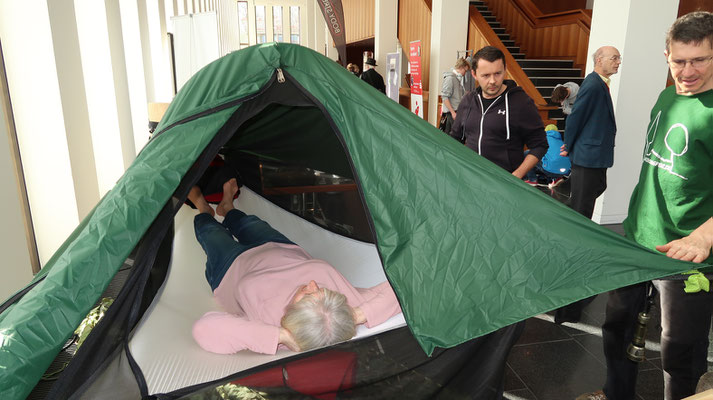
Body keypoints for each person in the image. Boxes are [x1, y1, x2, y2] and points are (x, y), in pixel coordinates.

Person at [577, 12, 713, 400]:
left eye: (699, 60)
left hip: (687, 254)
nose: (686, 71)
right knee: (616, 329)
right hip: (637, 238)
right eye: (678, 60)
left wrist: (704, 236)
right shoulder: (667, 94)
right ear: (666, 55)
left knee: (680, 351)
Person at [190, 178, 401, 355]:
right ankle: (228, 208)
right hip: (279, 248)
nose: (312, 284)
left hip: (230, 268)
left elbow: (203, 329)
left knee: (212, 234)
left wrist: (280, 335)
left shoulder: (267, 324)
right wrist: (355, 316)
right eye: (322, 291)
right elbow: (407, 289)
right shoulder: (338, 311)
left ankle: (202, 207)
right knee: (249, 224)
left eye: (309, 295)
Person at [450, 46, 548, 178]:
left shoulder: (521, 102)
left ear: (505, 70)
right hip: (470, 180)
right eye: (485, 75)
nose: (492, 81)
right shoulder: (468, 101)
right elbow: (455, 139)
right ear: (474, 74)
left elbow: (540, 144)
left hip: (505, 184)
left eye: (498, 73)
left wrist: (516, 176)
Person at [560, 46, 621, 219]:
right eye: (614, 58)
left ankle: (565, 211)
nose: (619, 62)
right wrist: (568, 145)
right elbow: (575, 117)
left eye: (618, 58)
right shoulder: (593, 84)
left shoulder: (599, 83)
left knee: (595, 189)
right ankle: (574, 235)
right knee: (582, 207)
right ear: (599, 60)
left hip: (594, 154)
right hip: (588, 155)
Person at [523, 124, 571, 188]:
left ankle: (532, 180)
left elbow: (535, 152)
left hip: (550, 170)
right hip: (565, 172)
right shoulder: (562, 141)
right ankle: (556, 178)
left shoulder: (543, 139)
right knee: (551, 159)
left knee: (528, 154)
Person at [439, 58, 470, 134]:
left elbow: (455, 95)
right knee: (450, 138)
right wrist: (453, 113)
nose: (465, 73)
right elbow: (445, 97)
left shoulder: (457, 79)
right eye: (465, 71)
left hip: (455, 112)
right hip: (451, 114)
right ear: (461, 67)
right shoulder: (450, 79)